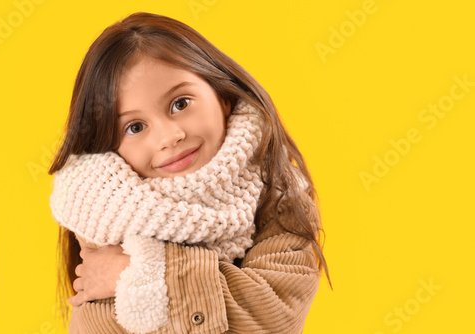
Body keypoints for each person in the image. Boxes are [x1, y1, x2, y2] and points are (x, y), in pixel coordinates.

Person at [48, 12, 330, 334]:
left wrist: (140, 272)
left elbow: (272, 316)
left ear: (222, 96)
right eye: (135, 127)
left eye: (180, 104)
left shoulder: (279, 198)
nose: (169, 137)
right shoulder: (103, 214)